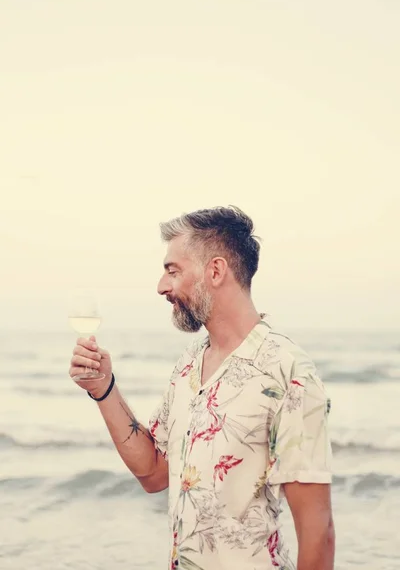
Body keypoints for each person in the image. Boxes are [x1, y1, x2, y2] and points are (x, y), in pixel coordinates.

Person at [69, 206, 335, 570]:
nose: (162, 286)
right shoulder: (190, 362)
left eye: (172, 270)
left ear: (215, 271)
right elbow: (154, 473)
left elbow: (317, 531)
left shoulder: (288, 373)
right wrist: (103, 388)